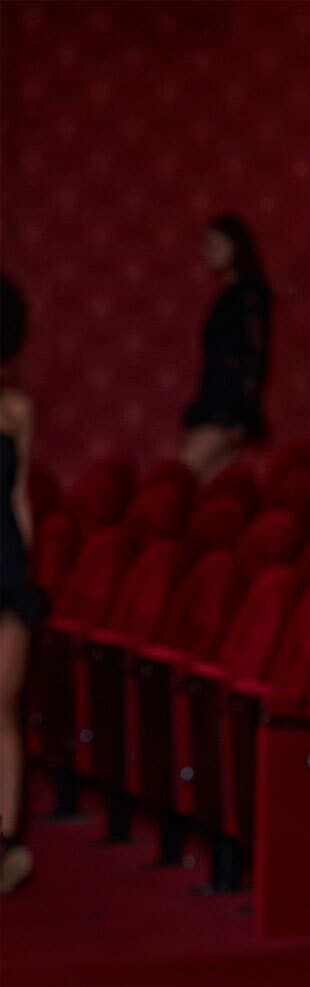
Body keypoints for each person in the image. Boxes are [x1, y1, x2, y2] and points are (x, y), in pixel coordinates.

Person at [0, 274, 49, 897]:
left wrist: (26, 572)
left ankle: (8, 841)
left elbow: (18, 497)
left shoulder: (16, 408)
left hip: (5, 565)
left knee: (2, 705)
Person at [180, 214, 272, 480]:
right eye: (207, 244)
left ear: (236, 246)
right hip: (214, 401)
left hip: (226, 406)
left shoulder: (248, 296)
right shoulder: (231, 295)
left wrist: (243, 411)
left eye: (216, 244)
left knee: (181, 481)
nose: (208, 252)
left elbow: (254, 358)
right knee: (205, 490)